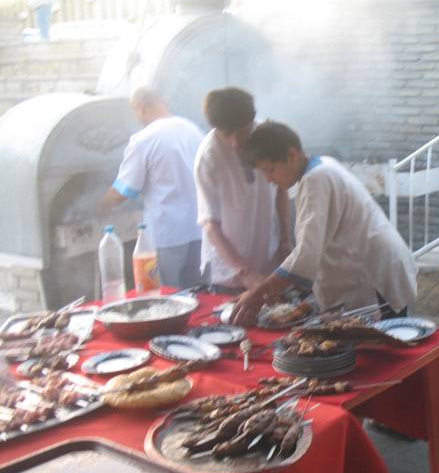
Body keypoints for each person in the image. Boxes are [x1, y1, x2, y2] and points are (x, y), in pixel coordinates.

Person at [229, 120, 418, 326]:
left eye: (271, 169)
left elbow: (306, 255)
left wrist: (258, 294)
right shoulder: (322, 165)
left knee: (383, 349)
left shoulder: (316, 179)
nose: (268, 179)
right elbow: (316, 246)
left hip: (376, 278)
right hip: (380, 266)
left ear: (292, 155)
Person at [100, 87, 204, 289]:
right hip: (199, 229)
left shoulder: (144, 139)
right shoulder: (192, 129)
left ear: (139, 108)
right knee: (197, 293)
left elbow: (123, 191)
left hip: (167, 234)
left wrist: (97, 205)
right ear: (162, 101)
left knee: (166, 295)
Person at [194, 88, 292, 293]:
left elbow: (281, 189)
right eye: (227, 134)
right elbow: (210, 224)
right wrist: (245, 272)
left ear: (252, 121)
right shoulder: (208, 157)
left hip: (270, 262)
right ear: (215, 128)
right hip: (230, 275)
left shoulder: (267, 137)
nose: (236, 142)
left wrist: (285, 239)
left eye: (243, 132)